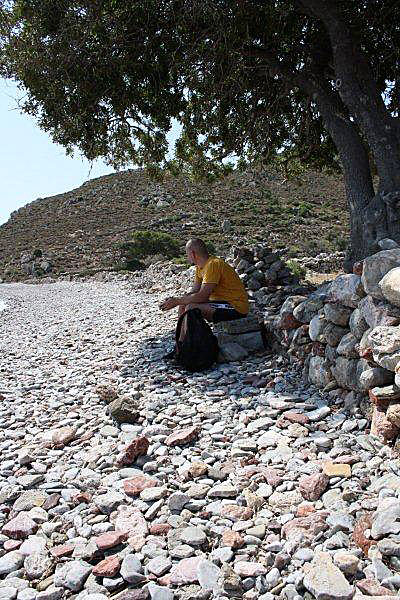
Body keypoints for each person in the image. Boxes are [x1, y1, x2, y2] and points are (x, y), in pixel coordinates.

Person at [160, 238, 249, 323]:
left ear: (193, 254)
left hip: (235, 306)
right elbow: (194, 292)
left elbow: (202, 296)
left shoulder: (213, 264)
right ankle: (182, 335)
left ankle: (194, 337)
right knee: (184, 304)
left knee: (191, 308)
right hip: (220, 303)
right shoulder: (200, 268)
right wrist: (177, 300)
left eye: (187, 254)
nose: (187, 257)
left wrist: (176, 301)